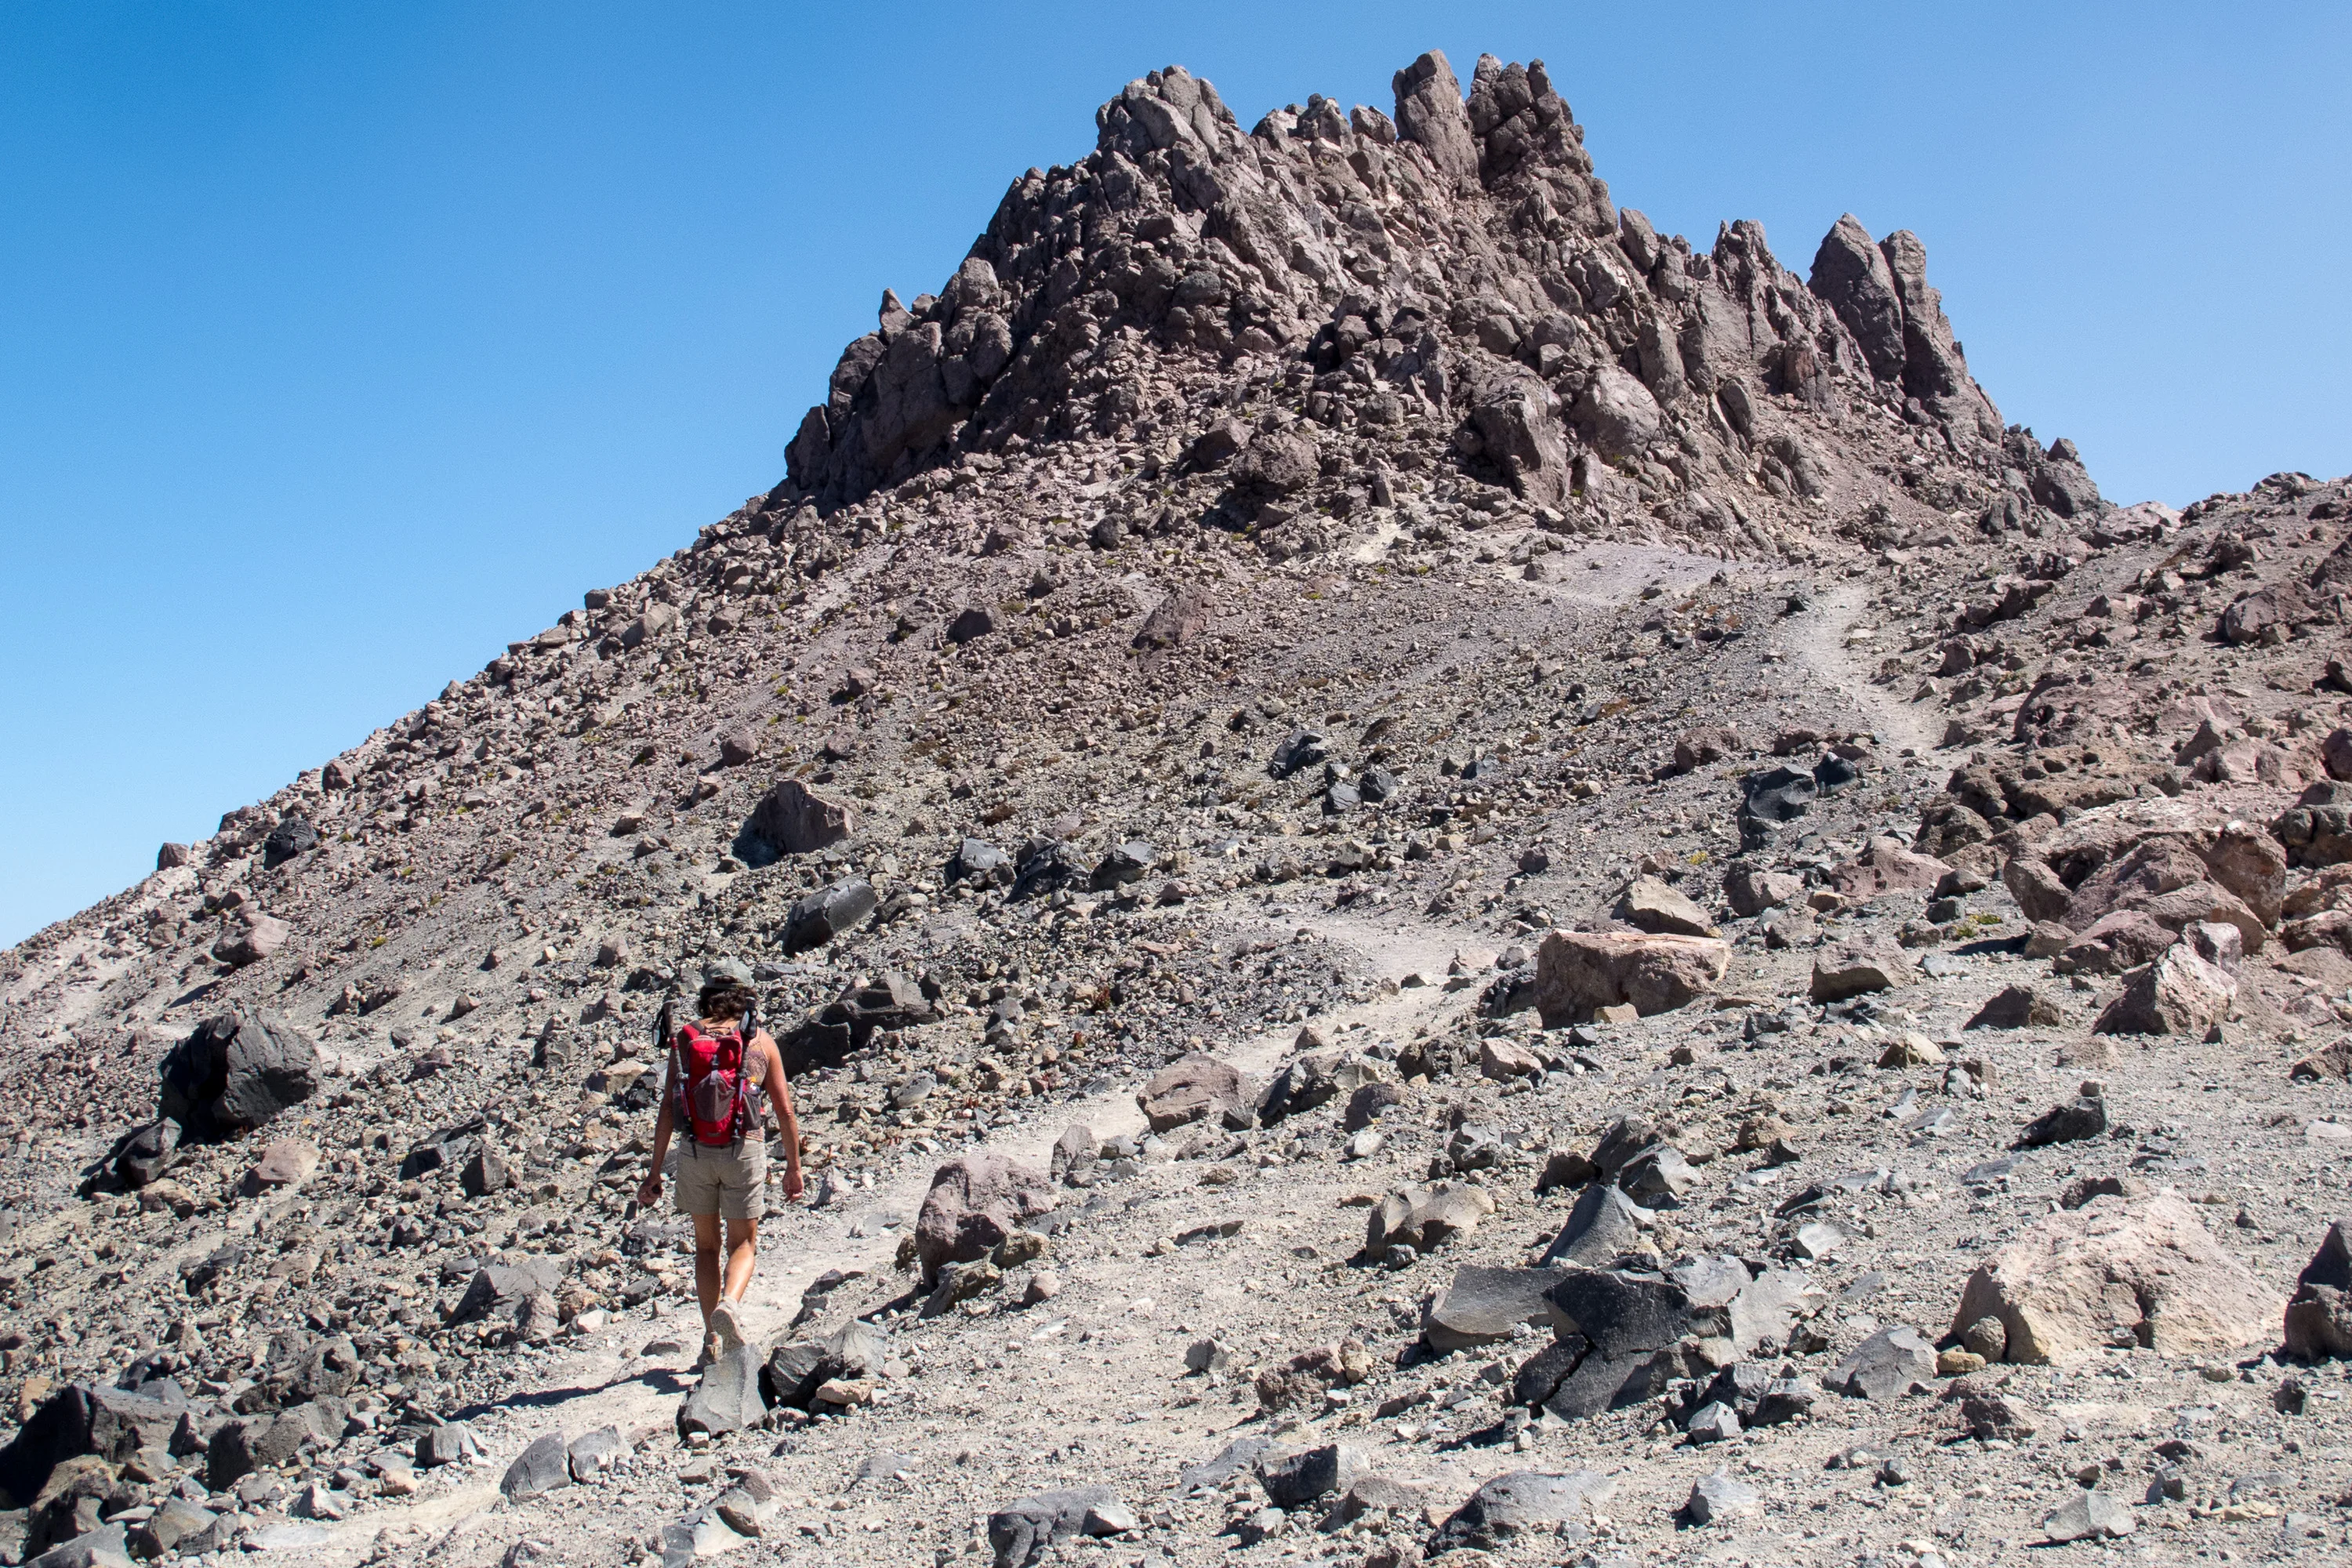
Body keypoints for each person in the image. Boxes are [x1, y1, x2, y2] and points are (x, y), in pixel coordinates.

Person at [637, 976, 804, 1365]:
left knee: (706, 1247)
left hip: (695, 1151)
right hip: (744, 1149)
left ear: (705, 1002)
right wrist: (793, 1167)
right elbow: (785, 1110)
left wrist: (655, 1172)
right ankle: (729, 1304)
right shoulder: (760, 1042)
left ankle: (712, 1339)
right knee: (743, 1244)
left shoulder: (686, 1039)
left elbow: (667, 1109)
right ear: (745, 1002)